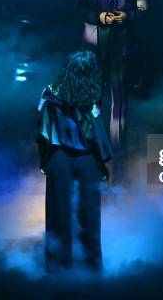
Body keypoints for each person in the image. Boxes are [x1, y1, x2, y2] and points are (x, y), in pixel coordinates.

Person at [36, 51, 112, 272]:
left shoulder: (48, 93)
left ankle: (58, 268)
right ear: (91, 71)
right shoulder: (91, 96)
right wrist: (105, 164)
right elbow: (95, 135)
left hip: (59, 159)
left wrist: (45, 161)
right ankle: (91, 268)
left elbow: (41, 129)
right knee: (89, 215)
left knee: (58, 213)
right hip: (86, 160)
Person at [76, 0, 147, 148]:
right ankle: (88, 145)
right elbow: (80, 10)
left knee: (120, 98)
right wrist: (101, 17)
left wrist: (127, 16)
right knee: (91, 97)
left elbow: (143, 8)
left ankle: (118, 148)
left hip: (122, 46)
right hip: (93, 47)